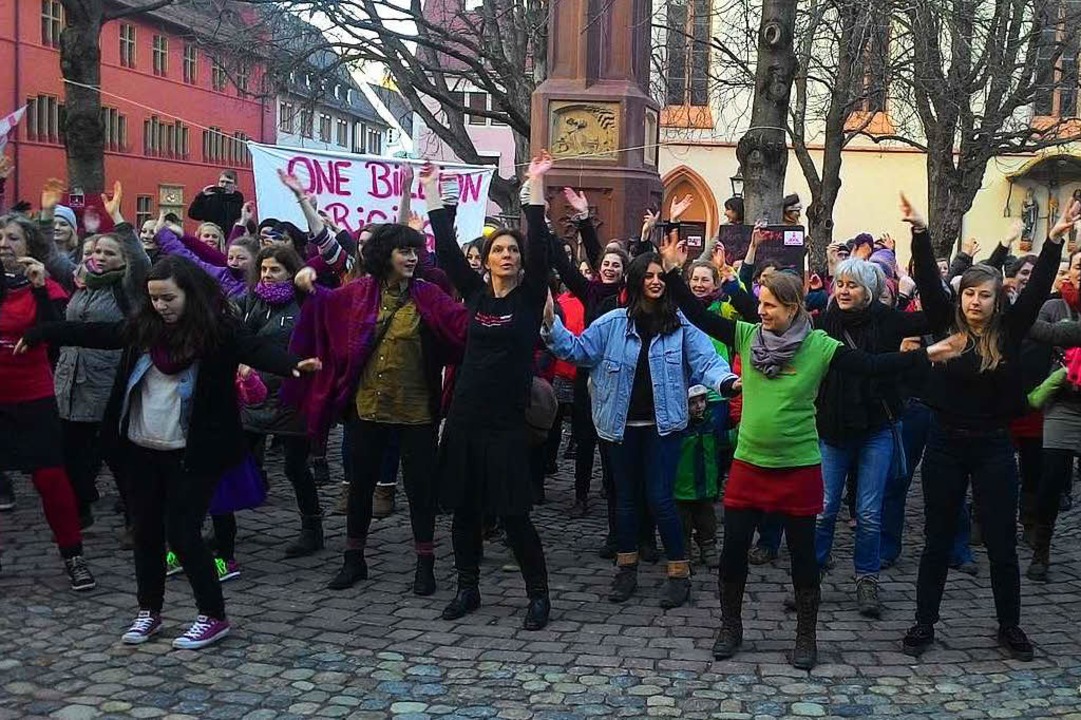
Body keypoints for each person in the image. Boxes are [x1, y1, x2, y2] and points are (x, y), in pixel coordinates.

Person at [656, 227, 958, 669]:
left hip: (798, 466)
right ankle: (730, 625)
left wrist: (925, 356)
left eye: (771, 307)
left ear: (794, 307)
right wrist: (671, 270)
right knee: (734, 551)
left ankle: (805, 635)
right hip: (748, 464)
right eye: (760, 305)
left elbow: (871, 366)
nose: (762, 313)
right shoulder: (746, 336)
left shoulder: (819, 345)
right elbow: (700, 318)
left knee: (802, 558)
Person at [18, 255, 321, 649]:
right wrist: (44, 332)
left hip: (193, 452)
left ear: (189, 294)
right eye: (155, 299)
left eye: (168, 298)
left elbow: (255, 348)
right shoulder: (143, 329)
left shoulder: (216, 333)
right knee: (145, 532)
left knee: (183, 534)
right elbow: (93, 332)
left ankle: (212, 615)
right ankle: (149, 610)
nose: (161, 306)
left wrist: (292, 364)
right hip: (142, 448)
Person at [901, 194, 1071, 662]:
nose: (975, 301)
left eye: (985, 294)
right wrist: (919, 232)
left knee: (1000, 542)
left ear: (998, 300)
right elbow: (930, 283)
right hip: (944, 443)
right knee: (937, 540)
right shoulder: (944, 321)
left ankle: (1009, 626)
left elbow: (1036, 290)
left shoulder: (1010, 330)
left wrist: (1053, 243)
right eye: (970, 293)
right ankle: (924, 622)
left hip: (994, 447)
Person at [286, 175, 468, 594]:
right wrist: (305, 287)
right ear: (385, 254)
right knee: (361, 487)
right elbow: (324, 308)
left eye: (415, 250)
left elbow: (461, 327)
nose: (412, 257)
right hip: (366, 407)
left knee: (420, 491)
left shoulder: (430, 294)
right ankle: (354, 559)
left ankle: (425, 565)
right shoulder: (359, 293)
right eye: (404, 250)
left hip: (417, 410)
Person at [543, 252, 739, 609]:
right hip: (620, 426)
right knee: (626, 500)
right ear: (635, 281)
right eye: (648, 275)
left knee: (661, 498)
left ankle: (679, 572)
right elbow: (579, 351)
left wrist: (726, 382)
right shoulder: (612, 323)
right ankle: (626, 568)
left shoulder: (679, 324)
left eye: (660, 276)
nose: (655, 281)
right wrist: (551, 325)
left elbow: (707, 361)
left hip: (664, 427)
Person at [428, 154, 553, 631]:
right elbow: (444, 248)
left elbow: (541, 245)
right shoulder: (474, 296)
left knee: (514, 516)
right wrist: (434, 190)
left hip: (506, 425)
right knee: (463, 511)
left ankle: (538, 596)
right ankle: (467, 587)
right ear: (487, 259)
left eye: (512, 251)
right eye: (499, 249)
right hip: (464, 421)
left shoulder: (526, 297)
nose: (507, 255)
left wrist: (535, 188)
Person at [813, 256, 937, 617]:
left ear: (869, 291)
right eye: (840, 284)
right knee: (823, 509)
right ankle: (813, 575)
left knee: (868, 512)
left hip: (876, 428)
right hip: (833, 428)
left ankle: (867, 579)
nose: (844, 290)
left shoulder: (888, 321)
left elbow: (936, 316)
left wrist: (920, 270)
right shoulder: (824, 323)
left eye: (852, 285)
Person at [43, 183, 151, 534]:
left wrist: (118, 217)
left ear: (121, 261)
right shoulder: (80, 281)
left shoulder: (131, 288)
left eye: (108, 253)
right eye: (96, 252)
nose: (99, 257)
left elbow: (139, 258)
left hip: (108, 384)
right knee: (71, 453)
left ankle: (137, 518)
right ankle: (82, 506)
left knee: (117, 456)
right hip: (71, 382)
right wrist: (47, 215)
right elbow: (50, 256)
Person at [0, 210, 94, 590]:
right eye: (0, 238)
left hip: (33, 395)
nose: (4, 245)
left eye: (12, 238)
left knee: (50, 478)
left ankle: (73, 555)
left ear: (31, 246)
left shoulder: (46, 285)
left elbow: (56, 329)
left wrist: (39, 286)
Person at [236, 245, 324, 560]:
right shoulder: (249, 300)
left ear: (290, 271)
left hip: (290, 396)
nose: (268, 275)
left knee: (295, 467)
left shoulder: (303, 303)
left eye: (275, 270)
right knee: (233, 459)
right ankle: (223, 525)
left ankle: (312, 528)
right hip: (252, 394)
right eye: (263, 269)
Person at [1025, 247, 1081, 581]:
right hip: (1063, 403)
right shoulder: (1054, 306)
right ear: (1070, 271)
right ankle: (1041, 550)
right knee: (1052, 478)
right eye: (1078, 266)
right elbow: (1041, 333)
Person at [675, 385, 726, 568]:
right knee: (683, 523)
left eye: (702, 401)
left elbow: (723, 442)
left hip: (705, 484)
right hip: (683, 485)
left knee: (707, 521)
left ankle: (708, 546)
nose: (699, 406)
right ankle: (684, 550)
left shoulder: (710, 424)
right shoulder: (679, 429)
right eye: (693, 403)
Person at [188, 169, 245, 233]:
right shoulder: (211, 197)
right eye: (222, 182)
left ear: (235, 185)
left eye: (228, 182)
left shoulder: (238, 200)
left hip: (231, 236)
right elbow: (193, 214)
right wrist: (201, 196)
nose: (224, 185)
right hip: (213, 235)